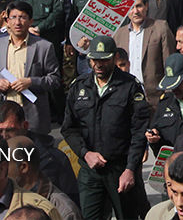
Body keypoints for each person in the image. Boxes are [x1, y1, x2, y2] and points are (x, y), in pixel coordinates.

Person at [61, 34, 153, 220]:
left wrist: (130, 169)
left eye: (103, 60)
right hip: (90, 170)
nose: (98, 64)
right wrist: (85, 153)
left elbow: (138, 132)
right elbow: (68, 128)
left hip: (120, 169)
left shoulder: (130, 86)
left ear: (113, 58)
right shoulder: (79, 87)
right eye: (94, 60)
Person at [0, 0, 62, 134]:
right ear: (7, 20)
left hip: (32, 116)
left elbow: (55, 80)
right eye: (13, 17)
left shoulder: (44, 47)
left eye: (22, 17)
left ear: (30, 21)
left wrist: (31, 82)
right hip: (3, 116)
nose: (17, 22)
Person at [116, 0, 175, 108]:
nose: (135, 11)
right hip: (127, 97)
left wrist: (168, 95)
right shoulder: (119, 34)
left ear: (146, 6)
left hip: (156, 98)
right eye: (131, 8)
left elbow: (170, 63)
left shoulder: (160, 28)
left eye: (139, 6)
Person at [5, 136, 83, 220]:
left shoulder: (63, 210)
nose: (0, 169)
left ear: (23, 167)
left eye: (5, 164)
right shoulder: (3, 199)